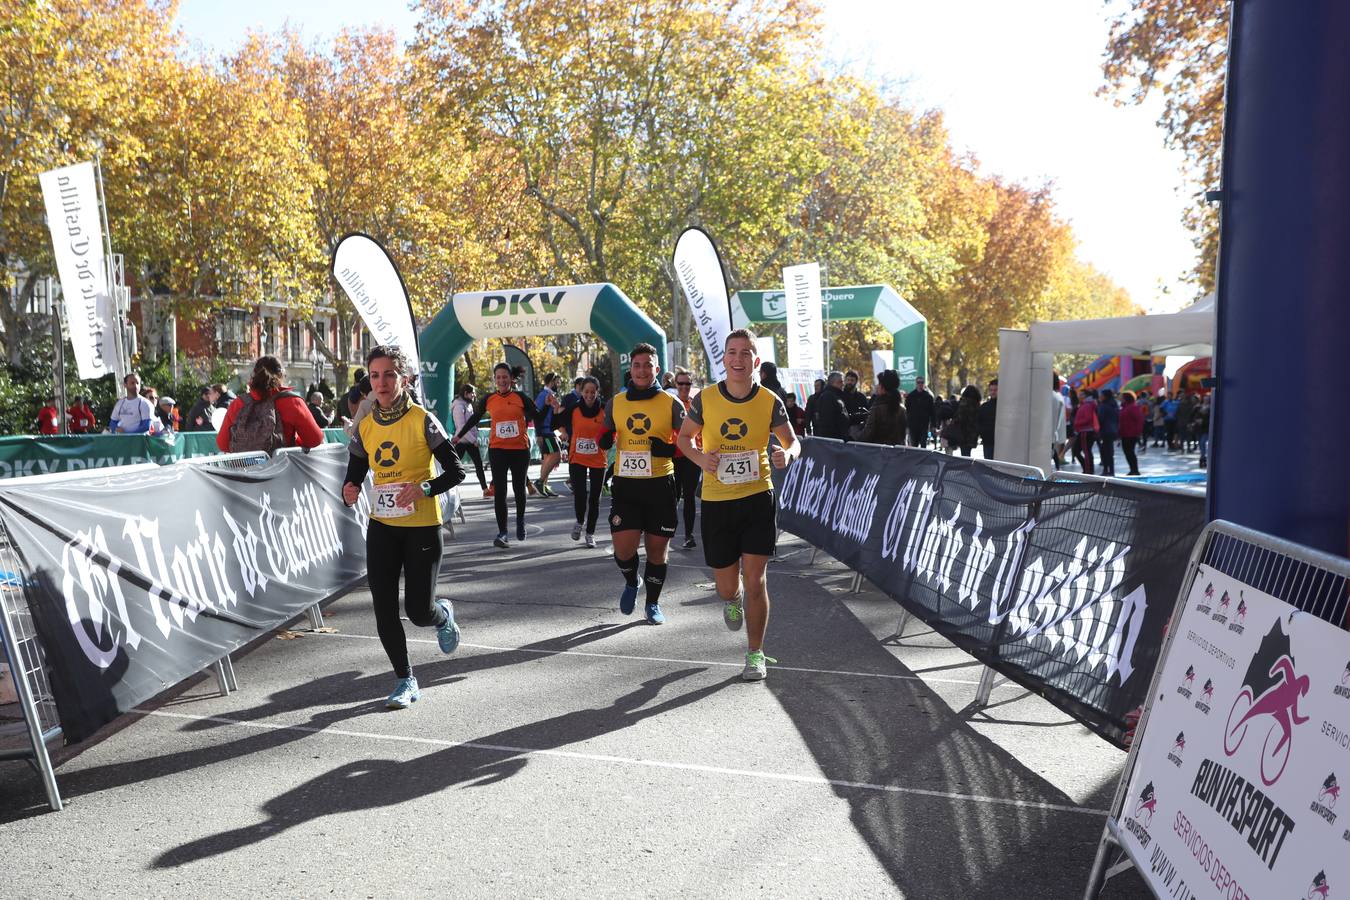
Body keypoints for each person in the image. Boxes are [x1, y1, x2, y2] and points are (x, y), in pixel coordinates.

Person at [341, 345, 466, 709]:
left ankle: (442, 615)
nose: (381, 382)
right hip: (382, 526)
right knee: (383, 607)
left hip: (422, 526)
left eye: (389, 374)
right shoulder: (364, 427)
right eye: (375, 376)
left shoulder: (423, 420)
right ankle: (405, 679)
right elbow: (354, 477)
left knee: (417, 611)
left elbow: (456, 471)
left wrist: (425, 488)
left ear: (404, 379)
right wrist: (348, 491)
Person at [677, 329, 799, 681]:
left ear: (755, 361)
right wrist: (701, 459)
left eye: (746, 352)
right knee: (727, 585)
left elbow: (794, 442)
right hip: (717, 500)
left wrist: (786, 454)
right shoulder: (706, 399)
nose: (738, 358)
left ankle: (755, 653)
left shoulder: (770, 401)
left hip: (758, 496)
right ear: (725, 359)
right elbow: (684, 438)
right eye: (732, 352)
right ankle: (732, 600)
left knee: (757, 578)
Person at [601, 343, 684, 625]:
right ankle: (632, 580)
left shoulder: (672, 404)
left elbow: (689, 443)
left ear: (656, 369)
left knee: (657, 552)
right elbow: (606, 431)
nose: (642, 370)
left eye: (647, 365)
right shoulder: (616, 402)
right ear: (630, 369)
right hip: (626, 484)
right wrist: (604, 438)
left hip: (660, 485)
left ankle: (652, 603)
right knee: (623, 550)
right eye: (637, 365)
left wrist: (670, 450)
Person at [453, 362, 539, 547]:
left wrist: (529, 415)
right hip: (498, 450)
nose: (501, 380)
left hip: (519, 450)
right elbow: (475, 418)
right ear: (495, 379)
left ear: (510, 379)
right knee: (500, 491)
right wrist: (458, 436)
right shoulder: (489, 399)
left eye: (504, 377)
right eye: (498, 377)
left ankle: (520, 521)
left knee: (518, 488)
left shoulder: (520, 397)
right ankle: (503, 533)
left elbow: (536, 414)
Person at [217, 355, 325, 454]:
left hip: (245, 471)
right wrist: (294, 442)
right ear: (282, 375)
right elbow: (314, 439)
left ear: (253, 375)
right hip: (282, 471)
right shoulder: (293, 402)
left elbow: (223, 444)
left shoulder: (238, 403)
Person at [555, 376, 606, 547]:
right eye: (586, 392)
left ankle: (590, 533)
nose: (590, 395)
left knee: (595, 499)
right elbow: (558, 421)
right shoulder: (574, 408)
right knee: (580, 494)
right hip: (577, 457)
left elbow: (614, 428)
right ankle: (579, 521)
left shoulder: (604, 410)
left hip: (598, 459)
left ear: (597, 392)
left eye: (593, 392)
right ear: (581, 392)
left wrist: (610, 439)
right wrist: (564, 432)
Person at [671, 369, 701, 549]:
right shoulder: (670, 404)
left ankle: (689, 535)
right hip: (673, 456)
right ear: (676, 385)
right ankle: (665, 531)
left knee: (689, 496)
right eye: (680, 383)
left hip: (692, 456)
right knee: (672, 496)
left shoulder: (697, 405)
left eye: (687, 384)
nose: (684, 387)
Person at [449, 384, 489, 495]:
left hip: (469, 441)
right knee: (453, 465)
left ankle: (485, 490)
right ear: (466, 393)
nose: (474, 395)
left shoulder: (468, 405)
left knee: (478, 465)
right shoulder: (458, 406)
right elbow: (461, 427)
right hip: (462, 441)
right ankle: (447, 488)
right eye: (472, 393)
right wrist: (473, 440)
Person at [533, 372, 564, 496]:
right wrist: (539, 433)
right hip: (545, 432)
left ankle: (544, 485)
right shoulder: (544, 395)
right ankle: (540, 482)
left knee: (547, 458)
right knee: (556, 455)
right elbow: (537, 415)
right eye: (557, 382)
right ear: (551, 382)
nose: (559, 384)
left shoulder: (550, 395)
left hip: (549, 431)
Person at [858, 370, 907, 445]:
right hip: (897, 453)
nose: (877, 386)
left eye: (879, 383)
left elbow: (867, 434)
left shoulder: (877, 408)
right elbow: (903, 436)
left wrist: (855, 438)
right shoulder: (902, 409)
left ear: (883, 387)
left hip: (879, 452)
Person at [811, 372, 850, 440]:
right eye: (840, 382)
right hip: (833, 439)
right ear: (833, 382)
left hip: (837, 438)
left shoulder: (836, 395)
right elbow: (827, 421)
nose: (843, 384)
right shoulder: (828, 396)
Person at [1118, 390, 1145, 476]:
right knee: (1127, 452)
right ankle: (1132, 469)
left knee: (1130, 452)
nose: (1120, 399)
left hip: (1131, 434)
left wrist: (1137, 432)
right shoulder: (1124, 408)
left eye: (1122, 397)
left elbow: (1139, 420)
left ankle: (1134, 469)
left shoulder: (1132, 407)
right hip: (1125, 433)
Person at [906, 376, 936, 448]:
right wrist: (907, 425)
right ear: (916, 384)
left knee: (923, 446)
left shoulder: (928, 397)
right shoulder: (910, 396)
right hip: (913, 425)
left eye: (922, 382)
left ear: (924, 384)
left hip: (924, 425)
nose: (920, 384)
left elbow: (932, 411)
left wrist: (934, 425)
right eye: (918, 382)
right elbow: (907, 411)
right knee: (914, 447)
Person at [1074, 389, 1100, 474]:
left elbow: (1088, 418)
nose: (1079, 396)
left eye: (1081, 394)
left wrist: (1077, 423)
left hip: (1086, 431)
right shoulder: (1085, 404)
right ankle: (1087, 468)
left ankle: (1088, 470)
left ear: (1085, 396)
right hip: (1083, 430)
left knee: (1086, 451)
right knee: (1078, 450)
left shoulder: (1088, 405)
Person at [952, 385, 980, 457]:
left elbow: (959, 418)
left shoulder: (963, 403)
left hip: (962, 433)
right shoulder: (977, 404)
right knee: (967, 453)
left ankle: (966, 467)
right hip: (972, 433)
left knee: (964, 454)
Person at [1097, 389, 1120, 476]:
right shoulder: (1114, 405)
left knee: (1105, 451)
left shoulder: (1103, 406)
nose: (1100, 397)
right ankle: (1111, 470)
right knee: (1110, 451)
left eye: (1101, 395)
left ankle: (1106, 470)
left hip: (1105, 431)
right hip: (1113, 430)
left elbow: (1100, 419)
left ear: (1105, 396)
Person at [977, 378, 998, 459]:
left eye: (995, 390)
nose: (993, 392)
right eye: (991, 390)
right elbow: (979, 421)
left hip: (998, 442)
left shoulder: (985, 406)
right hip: (988, 441)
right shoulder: (984, 407)